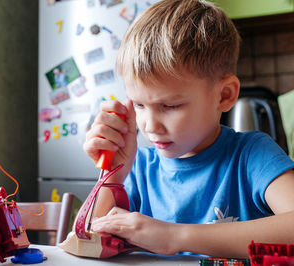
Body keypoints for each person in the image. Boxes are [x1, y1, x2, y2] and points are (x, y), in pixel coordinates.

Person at [83, 0, 294, 258]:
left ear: (224, 95)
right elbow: (88, 244)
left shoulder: (252, 155)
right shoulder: (138, 167)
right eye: (139, 104)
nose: (149, 125)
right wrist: (112, 176)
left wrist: (174, 236)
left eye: (170, 106)